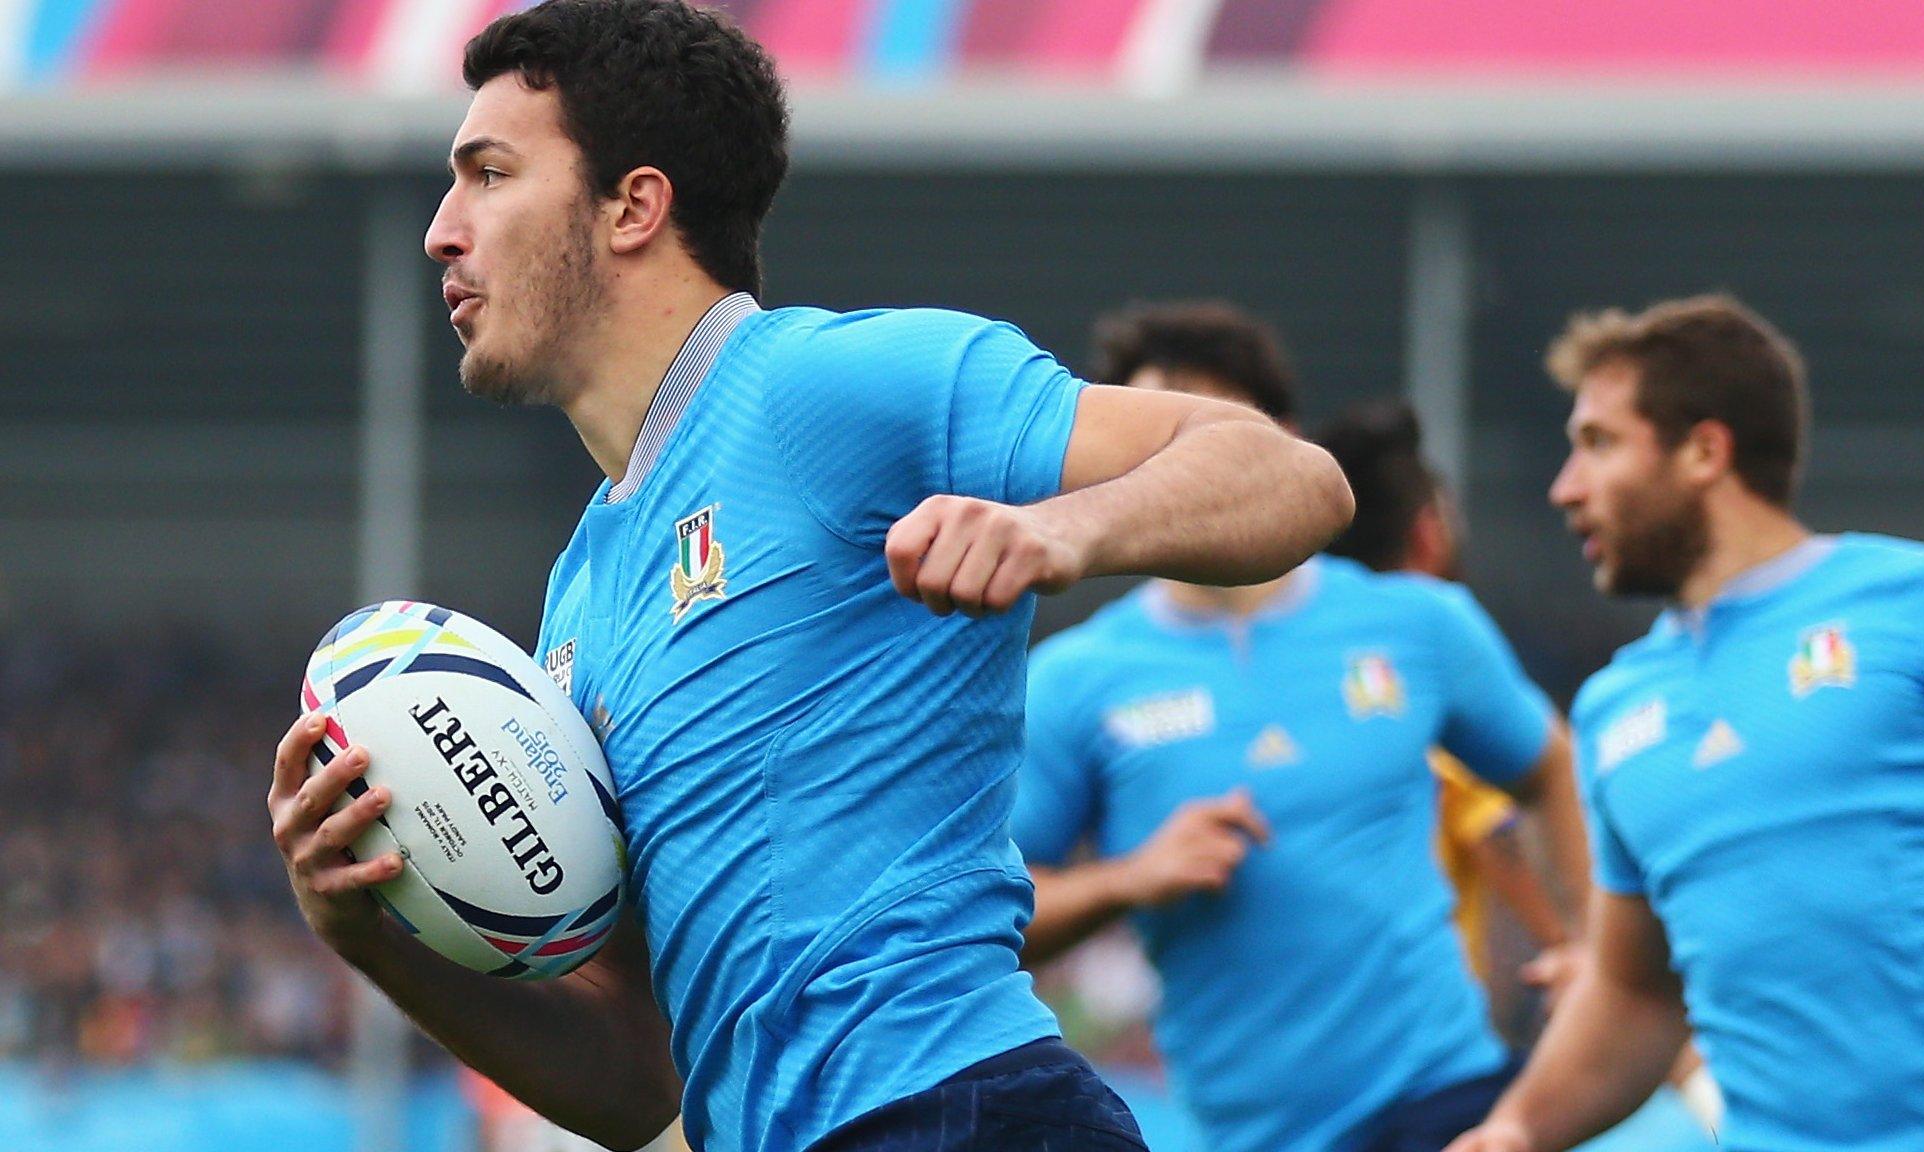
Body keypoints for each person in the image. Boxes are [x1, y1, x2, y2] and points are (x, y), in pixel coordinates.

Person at [262, 5, 1354, 1152]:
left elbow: (1289, 475)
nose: (443, 230)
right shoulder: (579, 597)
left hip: (963, 1114)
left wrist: (1061, 535)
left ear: (633, 205)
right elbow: (642, 1081)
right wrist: (369, 936)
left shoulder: (826, 385)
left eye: (489, 173)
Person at [1448, 294, 1924, 1152]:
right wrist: (1514, 1130)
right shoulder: (1615, 707)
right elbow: (1634, 994)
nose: (1565, 488)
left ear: (1704, 450)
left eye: (1598, 444)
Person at [1012, 302, 1587, 1152]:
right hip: (1247, 1135)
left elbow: (1547, 769)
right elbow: (994, 915)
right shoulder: (1075, 679)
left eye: (1194, 437)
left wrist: (1594, 956)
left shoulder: (1418, 624)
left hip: (1446, 1099)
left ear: (1279, 446)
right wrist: (1131, 879)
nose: (1159, 470)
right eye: (1137, 443)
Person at [1315, 402, 1577, 991]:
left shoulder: (1286, 682)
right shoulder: (1435, 696)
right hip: (1429, 1055)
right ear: (1428, 536)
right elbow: (1505, 831)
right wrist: (1580, 947)